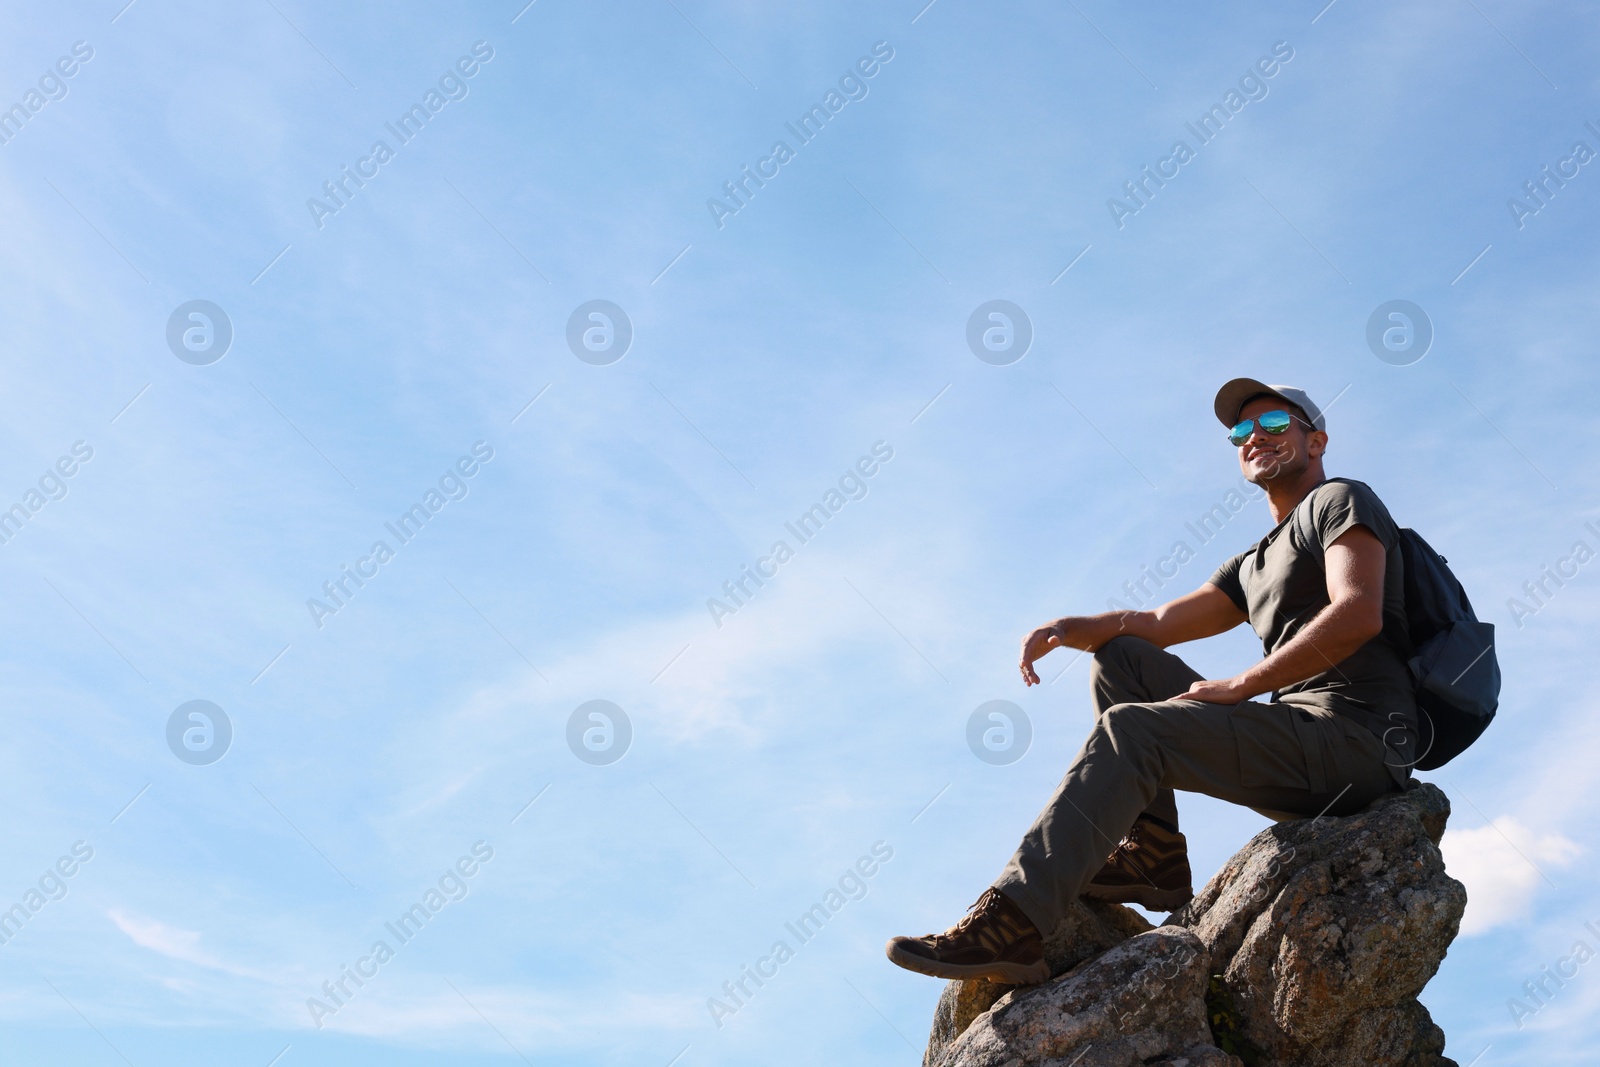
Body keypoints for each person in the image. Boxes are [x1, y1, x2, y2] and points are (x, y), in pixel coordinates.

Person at [886, 378, 1419, 985]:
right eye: (1242, 432)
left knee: (1132, 730)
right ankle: (1154, 854)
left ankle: (1013, 926)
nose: (1255, 439)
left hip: (1359, 744)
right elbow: (1157, 624)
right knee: (1122, 658)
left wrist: (1240, 684)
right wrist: (1068, 625)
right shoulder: (1254, 561)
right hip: (1301, 739)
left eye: (1274, 425)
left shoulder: (1340, 500)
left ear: (1316, 439)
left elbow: (1357, 611)